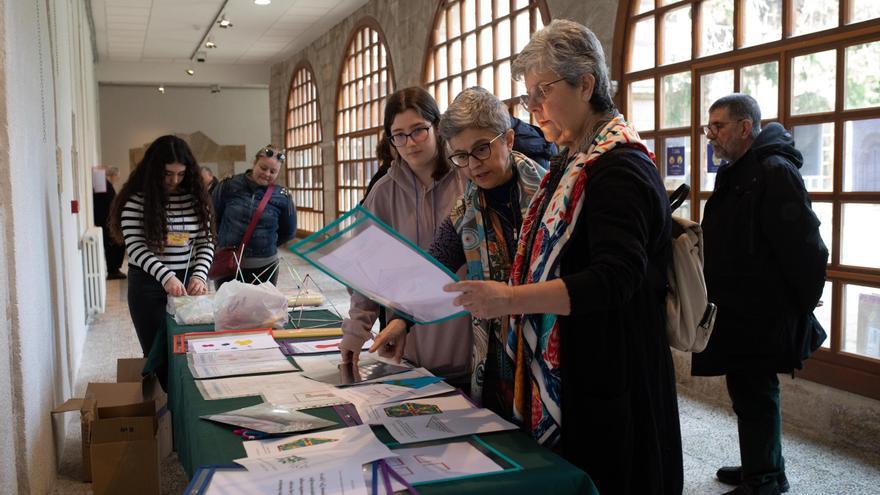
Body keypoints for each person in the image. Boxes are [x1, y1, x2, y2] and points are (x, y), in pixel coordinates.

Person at [443, 20, 683, 494]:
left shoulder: (619, 166)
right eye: (527, 95)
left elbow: (615, 279)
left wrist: (511, 299)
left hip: (614, 372)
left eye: (542, 91)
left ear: (586, 84)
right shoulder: (573, 160)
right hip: (580, 367)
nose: (531, 108)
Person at [367, 86, 545, 416]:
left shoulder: (547, 197)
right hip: (493, 356)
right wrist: (401, 323)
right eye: (461, 156)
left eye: (481, 149)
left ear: (507, 140)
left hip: (546, 351)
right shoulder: (467, 208)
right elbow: (435, 266)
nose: (472, 165)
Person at [693, 94, 828, 495]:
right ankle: (763, 463)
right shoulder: (739, 170)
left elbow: (808, 248)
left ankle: (767, 477)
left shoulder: (774, 171)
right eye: (709, 127)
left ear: (745, 127)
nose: (710, 136)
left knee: (756, 391)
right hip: (740, 308)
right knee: (747, 389)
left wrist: (798, 306)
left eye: (717, 127)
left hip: (763, 310)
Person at [338, 87, 473, 386]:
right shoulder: (383, 193)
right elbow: (365, 272)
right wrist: (356, 331)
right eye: (398, 135)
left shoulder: (468, 179)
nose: (409, 143)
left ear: (437, 127)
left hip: (469, 348)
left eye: (418, 131)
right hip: (408, 350)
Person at [109, 135, 214, 357]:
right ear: (154, 169)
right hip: (148, 285)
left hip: (187, 280)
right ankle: (161, 392)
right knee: (158, 353)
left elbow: (206, 242)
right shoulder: (136, 200)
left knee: (190, 350)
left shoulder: (195, 199)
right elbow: (136, 248)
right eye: (167, 173)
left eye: (180, 174)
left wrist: (199, 275)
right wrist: (167, 277)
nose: (174, 180)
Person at [212, 145, 296, 286]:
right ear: (254, 163)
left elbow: (288, 232)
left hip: (265, 266)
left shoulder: (282, 196)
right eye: (263, 168)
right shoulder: (229, 185)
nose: (267, 174)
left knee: (261, 307)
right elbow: (215, 217)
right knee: (227, 307)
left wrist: (266, 244)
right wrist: (224, 241)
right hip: (228, 264)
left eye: (273, 171)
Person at [94, 166, 126, 279]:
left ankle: (114, 269)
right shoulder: (105, 185)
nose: (117, 179)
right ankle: (113, 270)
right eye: (117, 177)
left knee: (116, 245)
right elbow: (107, 204)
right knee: (116, 244)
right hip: (106, 221)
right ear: (113, 175)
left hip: (107, 220)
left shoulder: (105, 185)